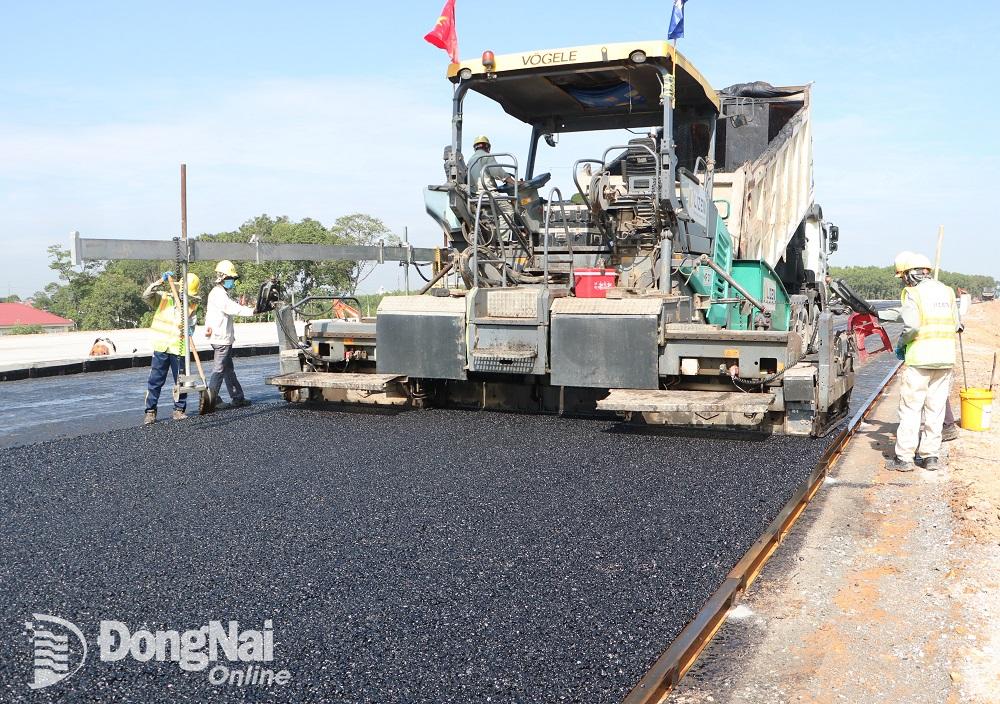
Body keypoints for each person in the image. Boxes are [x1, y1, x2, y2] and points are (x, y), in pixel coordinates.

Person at [884, 252, 962, 471]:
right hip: (945, 358)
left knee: (911, 409)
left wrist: (901, 343)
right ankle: (930, 457)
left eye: (903, 276)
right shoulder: (947, 292)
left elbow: (912, 326)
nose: (903, 280)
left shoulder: (912, 293)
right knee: (935, 410)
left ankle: (904, 458)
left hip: (920, 359)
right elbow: (956, 324)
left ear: (910, 274)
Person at [143, 272, 200, 425]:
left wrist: (190, 329)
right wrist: (160, 281)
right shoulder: (164, 298)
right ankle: (150, 411)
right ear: (180, 289)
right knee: (155, 381)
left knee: (181, 381)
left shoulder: (192, 306)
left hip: (179, 350)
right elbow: (146, 295)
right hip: (161, 346)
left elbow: (192, 327)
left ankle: (179, 410)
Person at [205, 260, 257, 410]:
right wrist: (253, 311)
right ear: (222, 278)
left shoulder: (220, 293)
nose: (232, 282)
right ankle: (211, 400)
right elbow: (232, 308)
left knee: (228, 369)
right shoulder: (218, 294)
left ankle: (237, 397)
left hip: (222, 337)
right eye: (231, 279)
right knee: (219, 369)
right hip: (221, 339)